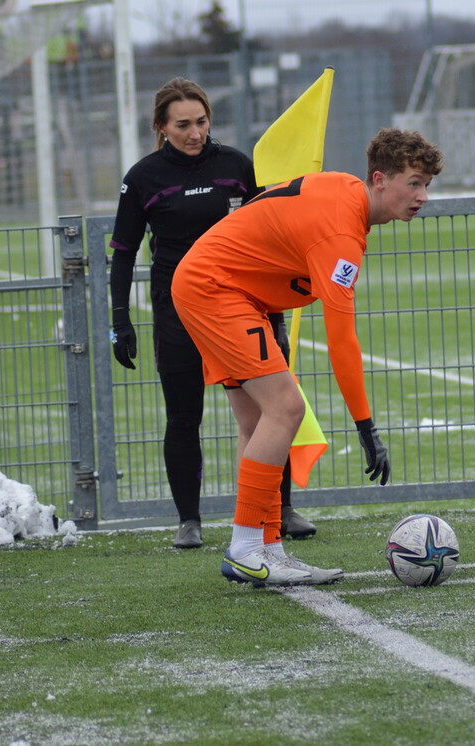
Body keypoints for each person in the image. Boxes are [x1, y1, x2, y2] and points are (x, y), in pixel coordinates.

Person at [171, 127, 444, 586]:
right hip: (215, 289)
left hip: (226, 289)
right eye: (413, 182)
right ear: (379, 179)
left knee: (258, 422)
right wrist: (365, 427)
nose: (422, 196)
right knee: (287, 407)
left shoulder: (345, 196)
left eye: (427, 185)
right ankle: (244, 548)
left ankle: (268, 547)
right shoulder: (342, 230)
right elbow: (341, 340)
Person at [108, 77, 318, 549]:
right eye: (182, 124)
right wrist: (119, 321)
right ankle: (189, 520)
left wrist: (277, 310)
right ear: (161, 127)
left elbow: (269, 235)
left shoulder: (236, 166)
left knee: (271, 411)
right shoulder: (142, 177)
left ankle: (279, 510)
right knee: (184, 417)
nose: (194, 132)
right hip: (177, 310)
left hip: (244, 307)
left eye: (201, 121)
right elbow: (122, 253)